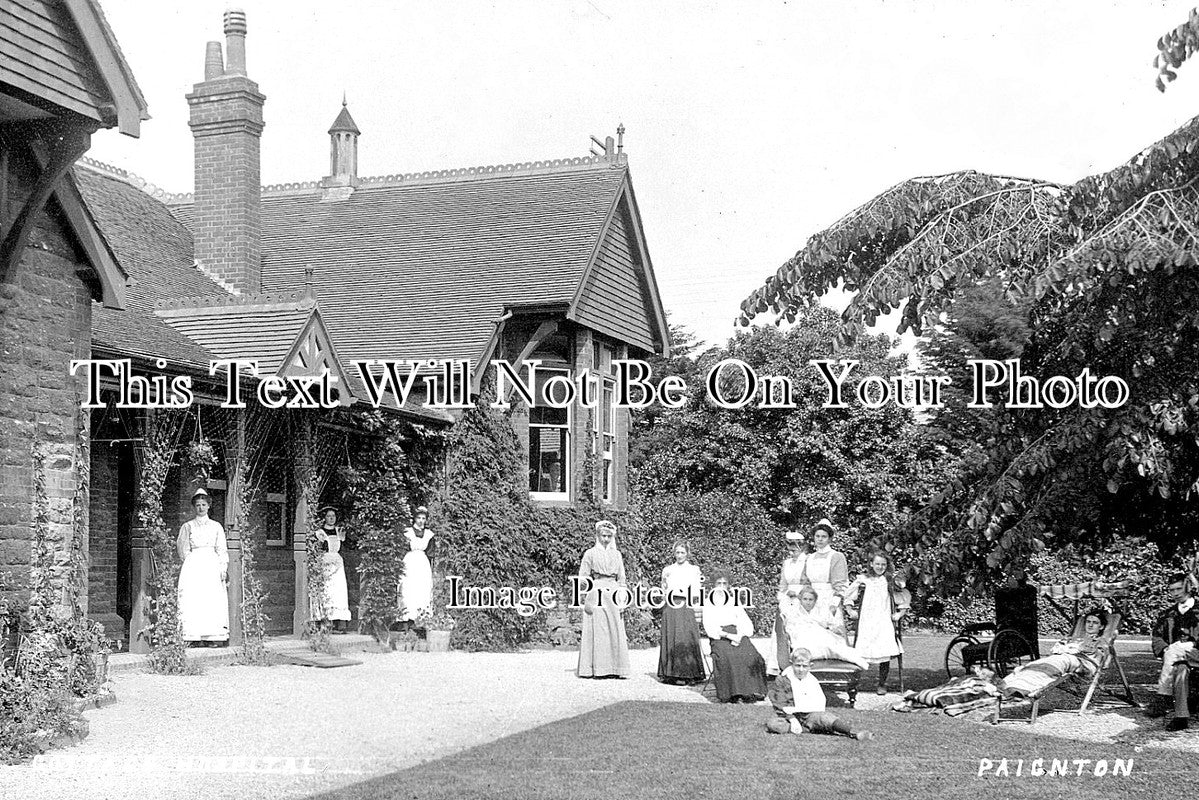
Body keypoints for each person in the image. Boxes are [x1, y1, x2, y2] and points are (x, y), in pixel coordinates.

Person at [766, 648, 873, 740]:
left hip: (808, 714)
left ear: (810, 666)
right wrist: (792, 719)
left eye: (804, 666)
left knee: (825, 717)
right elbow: (780, 702)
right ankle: (809, 729)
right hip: (789, 716)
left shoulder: (811, 680)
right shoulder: (783, 679)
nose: (801, 670)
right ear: (791, 664)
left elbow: (818, 703)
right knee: (773, 724)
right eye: (797, 666)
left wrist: (807, 711)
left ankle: (852, 732)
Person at [999, 610, 1108, 699]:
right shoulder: (1074, 638)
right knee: (1035, 665)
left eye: (1095, 623)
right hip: (1065, 658)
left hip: (1083, 665)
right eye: (1088, 621)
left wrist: (1070, 649)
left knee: (1056, 664)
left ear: (1101, 627)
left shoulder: (1101, 641)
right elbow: (1055, 649)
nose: (1090, 625)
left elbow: (1103, 661)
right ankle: (1006, 684)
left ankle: (1024, 688)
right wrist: (1072, 648)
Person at [845, 552, 908, 694]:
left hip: (883, 619)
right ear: (871, 564)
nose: (880, 567)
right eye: (877, 564)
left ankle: (882, 683)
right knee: (861, 650)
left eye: (883, 564)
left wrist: (900, 613)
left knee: (884, 650)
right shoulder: (863, 579)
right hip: (867, 620)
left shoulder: (890, 580)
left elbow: (904, 598)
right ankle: (854, 682)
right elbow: (849, 594)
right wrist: (850, 610)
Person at [702, 571, 768, 702]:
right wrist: (728, 636)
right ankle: (735, 693)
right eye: (718, 583)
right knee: (730, 657)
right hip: (720, 636)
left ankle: (753, 690)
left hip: (737, 632)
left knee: (753, 655)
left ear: (728, 585)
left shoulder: (733, 600)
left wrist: (740, 634)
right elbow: (709, 625)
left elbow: (744, 620)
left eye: (724, 583)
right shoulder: (708, 602)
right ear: (713, 585)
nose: (721, 586)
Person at [577, 520, 631, 678]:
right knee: (599, 629)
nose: (606, 539)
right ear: (597, 535)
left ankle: (615, 668)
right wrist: (586, 594)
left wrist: (622, 595)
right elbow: (583, 576)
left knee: (614, 628)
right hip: (597, 591)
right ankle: (597, 669)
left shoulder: (617, 554)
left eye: (609, 536)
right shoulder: (590, 553)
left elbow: (622, 577)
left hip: (613, 591)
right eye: (603, 536)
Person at [176, 488, 229, 646]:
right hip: (194, 565)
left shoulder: (216, 526)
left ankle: (212, 636)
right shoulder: (188, 526)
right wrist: (191, 563)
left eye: (203, 504)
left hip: (211, 565)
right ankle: (192, 636)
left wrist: (222, 568)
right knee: (194, 598)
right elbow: (183, 548)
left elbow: (221, 549)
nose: (200, 508)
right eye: (198, 505)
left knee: (210, 598)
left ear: (209, 506)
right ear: (194, 507)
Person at [1147, 573, 1199, 731]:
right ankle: (1181, 717)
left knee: (1176, 649)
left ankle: (1163, 696)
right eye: (1172, 590)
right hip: (1179, 658)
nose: (1176, 593)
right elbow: (1157, 637)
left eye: (1179, 588)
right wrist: (1165, 650)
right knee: (1180, 669)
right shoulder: (1167, 614)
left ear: (1188, 587)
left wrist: (1191, 645)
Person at [780, 586, 869, 669]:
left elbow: (832, 625)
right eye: (805, 599)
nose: (808, 602)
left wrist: (825, 627)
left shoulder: (820, 612)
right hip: (803, 637)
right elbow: (790, 628)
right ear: (800, 600)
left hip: (819, 635)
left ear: (815, 601)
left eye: (811, 600)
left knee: (831, 646)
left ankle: (856, 659)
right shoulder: (794, 613)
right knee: (805, 651)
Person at [657, 541, 706, 684]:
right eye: (677, 552)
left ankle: (689, 674)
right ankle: (672, 674)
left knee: (686, 637)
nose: (679, 556)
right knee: (672, 636)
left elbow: (696, 590)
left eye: (682, 553)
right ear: (674, 553)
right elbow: (664, 588)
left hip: (686, 605)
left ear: (687, 554)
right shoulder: (668, 569)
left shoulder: (694, 569)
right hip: (671, 607)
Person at [772, 530, 808, 675]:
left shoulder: (807, 561)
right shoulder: (786, 563)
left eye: (795, 548)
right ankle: (780, 665)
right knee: (781, 631)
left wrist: (799, 593)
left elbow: (810, 583)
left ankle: (800, 665)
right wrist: (782, 598)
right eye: (790, 548)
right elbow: (782, 585)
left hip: (802, 600)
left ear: (802, 547)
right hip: (787, 600)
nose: (792, 551)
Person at [801, 518, 849, 621]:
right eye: (817, 536)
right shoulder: (809, 558)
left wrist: (834, 604)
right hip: (811, 599)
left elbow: (841, 584)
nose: (820, 539)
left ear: (830, 539)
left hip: (829, 598)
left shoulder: (836, 556)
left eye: (824, 536)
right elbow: (805, 581)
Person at [315, 506, 352, 632]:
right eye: (329, 516)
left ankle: (340, 622)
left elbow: (346, 546)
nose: (332, 518)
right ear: (324, 518)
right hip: (325, 563)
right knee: (327, 590)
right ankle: (327, 622)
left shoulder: (339, 531)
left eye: (333, 516)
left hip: (338, 563)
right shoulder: (320, 533)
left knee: (339, 590)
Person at [398, 506, 434, 626]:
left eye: (423, 518)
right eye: (418, 518)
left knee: (422, 589)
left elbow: (431, 552)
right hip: (410, 561)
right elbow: (402, 548)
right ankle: (407, 620)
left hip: (422, 563)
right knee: (408, 588)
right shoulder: (407, 532)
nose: (421, 521)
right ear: (414, 518)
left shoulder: (429, 534)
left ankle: (422, 620)